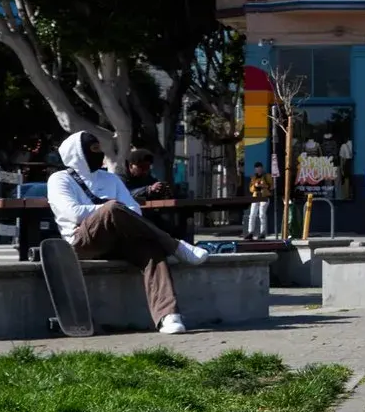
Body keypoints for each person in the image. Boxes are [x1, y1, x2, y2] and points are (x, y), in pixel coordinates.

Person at [46, 131, 210, 334]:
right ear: (77, 154)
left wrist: (113, 210)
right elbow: (72, 213)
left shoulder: (110, 179)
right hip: (83, 240)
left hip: (119, 240)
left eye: (99, 149)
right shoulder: (60, 179)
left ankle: (169, 316)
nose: (98, 153)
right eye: (93, 150)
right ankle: (174, 245)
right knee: (113, 207)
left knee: (151, 252)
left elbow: (134, 210)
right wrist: (108, 209)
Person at [246, 162, 272, 239]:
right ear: (255, 169)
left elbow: (271, 186)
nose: (258, 171)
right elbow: (250, 189)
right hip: (256, 197)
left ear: (262, 168)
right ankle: (250, 232)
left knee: (262, 214)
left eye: (260, 169)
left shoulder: (267, 176)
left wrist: (264, 185)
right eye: (257, 169)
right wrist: (255, 185)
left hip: (264, 197)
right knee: (252, 215)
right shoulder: (253, 177)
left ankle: (263, 232)